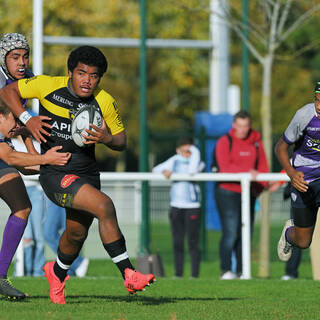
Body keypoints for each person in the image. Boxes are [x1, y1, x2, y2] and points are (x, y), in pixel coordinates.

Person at [0, 45, 156, 304]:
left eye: (94, 76)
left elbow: (121, 140)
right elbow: (8, 91)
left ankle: (56, 272)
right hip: (55, 172)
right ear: (70, 72)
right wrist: (27, 119)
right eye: (82, 73)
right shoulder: (48, 86)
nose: (87, 80)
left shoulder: (104, 100)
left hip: (87, 173)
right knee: (104, 205)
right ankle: (129, 273)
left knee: (76, 234)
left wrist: (106, 137)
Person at [0, 32, 70, 300]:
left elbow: (18, 131)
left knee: (22, 206)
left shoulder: (26, 80)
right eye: (15, 57)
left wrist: (42, 158)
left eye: (25, 56)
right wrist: (45, 159)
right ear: (3, 58)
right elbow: (10, 155)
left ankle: (0, 277)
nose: (21, 62)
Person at [213, 110, 269, 279]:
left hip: (248, 192)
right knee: (231, 232)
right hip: (227, 192)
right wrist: (248, 172)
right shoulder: (225, 141)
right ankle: (226, 270)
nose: (243, 130)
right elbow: (225, 167)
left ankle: (242, 271)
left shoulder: (256, 141)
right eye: (240, 125)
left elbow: (263, 166)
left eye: (246, 126)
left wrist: (262, 186)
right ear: (234, 125)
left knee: (246, 232)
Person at [275, 82, 320, 264]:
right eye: (317, 100)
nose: (319, 106)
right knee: (303, 241)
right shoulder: (304, 115)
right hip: (305, 181)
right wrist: (292, 174)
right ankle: (288, 233)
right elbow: (280, 148)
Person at [152, 136, 204, 278]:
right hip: (176, 207)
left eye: (190, 151)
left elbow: (193, 170)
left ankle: (194, 275)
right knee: (177, 242)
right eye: (184, 151)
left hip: (193, 206)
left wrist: (193, 151)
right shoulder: (174, 160)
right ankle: (178, 274)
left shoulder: (198, 162)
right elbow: (156, 169)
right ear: (178, 150)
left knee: (193, 242)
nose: (187, 154)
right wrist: (165, 172)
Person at [11, 136, 46, 277]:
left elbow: (41, 166)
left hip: (37, 192)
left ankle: (37, 272)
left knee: (39, 235)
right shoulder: (11, 143)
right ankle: (23, 270)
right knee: (26, 236)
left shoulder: (37, 145)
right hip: (20, 190)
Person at [43, 194, 89, 277]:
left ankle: (71, 269)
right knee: (48, 233)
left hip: (69, 193)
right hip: (53, 196)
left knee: (70, 233)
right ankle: (77, 263)